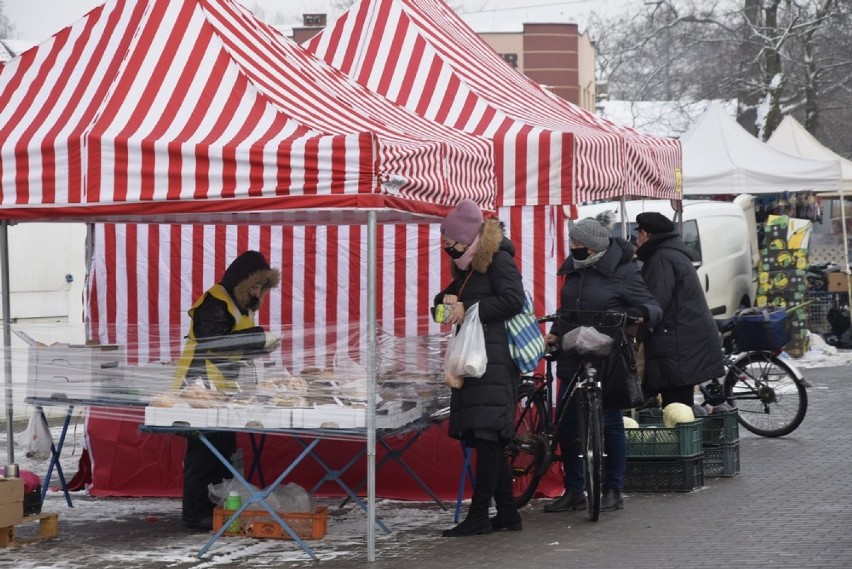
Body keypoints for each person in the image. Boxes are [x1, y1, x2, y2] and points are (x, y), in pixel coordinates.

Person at [544, 212, 662, 513]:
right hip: (574, 353)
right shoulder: (574, 269)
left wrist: (642, 315)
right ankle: (574, 489)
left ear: (593, 246)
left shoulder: (623, 271)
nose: (572, 247)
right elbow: (567, 308)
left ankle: (614, 488)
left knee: (610, 423)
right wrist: (557, 333)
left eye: (576, 242)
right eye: (571, 241)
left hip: (609, 355)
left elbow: (651, 305)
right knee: (568, 425)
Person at [434, 199, 526, 537]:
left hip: (493, 362)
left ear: (469, 238)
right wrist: (442, 307)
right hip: (475, 361)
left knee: (488, 437)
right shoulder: (467, 266)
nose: (448, 249)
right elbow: (446, 302)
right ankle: (507, 514)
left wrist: (469, 308)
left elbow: (513, 300)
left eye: (452, 242)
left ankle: (478, 517)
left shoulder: (498, 259)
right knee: (490, 440)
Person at [173, 250, 281, 530]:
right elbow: (216, 342)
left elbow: (235, 346)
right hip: (198, 387)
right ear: (241, 282)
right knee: (203, 452)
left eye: (262, 287)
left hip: (223, 388)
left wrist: (262, 346)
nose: (258, 293)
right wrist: (259, 338)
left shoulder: (241, 305)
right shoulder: (214, 301)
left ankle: (217, 507)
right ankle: (196, 514)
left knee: (224, 449)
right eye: (255, 286)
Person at [634, 212, 725, 407]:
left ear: (645, 234)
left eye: (638, 235)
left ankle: (685, 436)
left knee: (677, 407)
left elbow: (655, 303)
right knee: (680, 404)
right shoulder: (672, 253)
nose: (636, 240)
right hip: (684, 339)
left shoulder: (661, 258)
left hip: (678, 343)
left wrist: (638, 332)